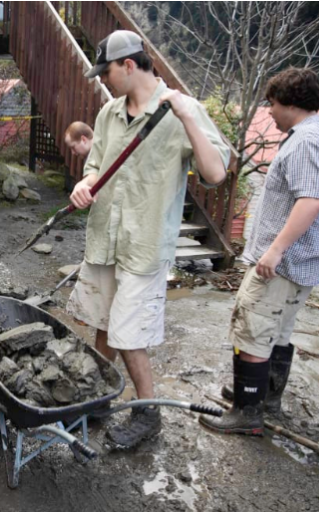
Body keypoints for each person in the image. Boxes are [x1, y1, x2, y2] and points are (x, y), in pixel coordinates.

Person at [66, 30, 230, 447]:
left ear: (129, 65)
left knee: (128, 334)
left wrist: (189, 118)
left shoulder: (182, 109)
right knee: (102, 323)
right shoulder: (108, 114)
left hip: (144, 246)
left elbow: (215, 174)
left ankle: (148, 414)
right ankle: (100, 400)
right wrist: (84, 185)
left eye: (108, 72)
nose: (104, 80)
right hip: (105, 238)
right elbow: (96, 166)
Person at [200, 68, 319, 436]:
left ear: (290, 102)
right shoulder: (313, 135)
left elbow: (310, 200)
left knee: (252, 328)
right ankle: (264, 397)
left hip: (281, 263)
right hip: (301, 263)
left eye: (271, 103)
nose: (268, 111)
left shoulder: (304, 141)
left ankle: (246, 410)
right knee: (278, 331)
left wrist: (274, 251)